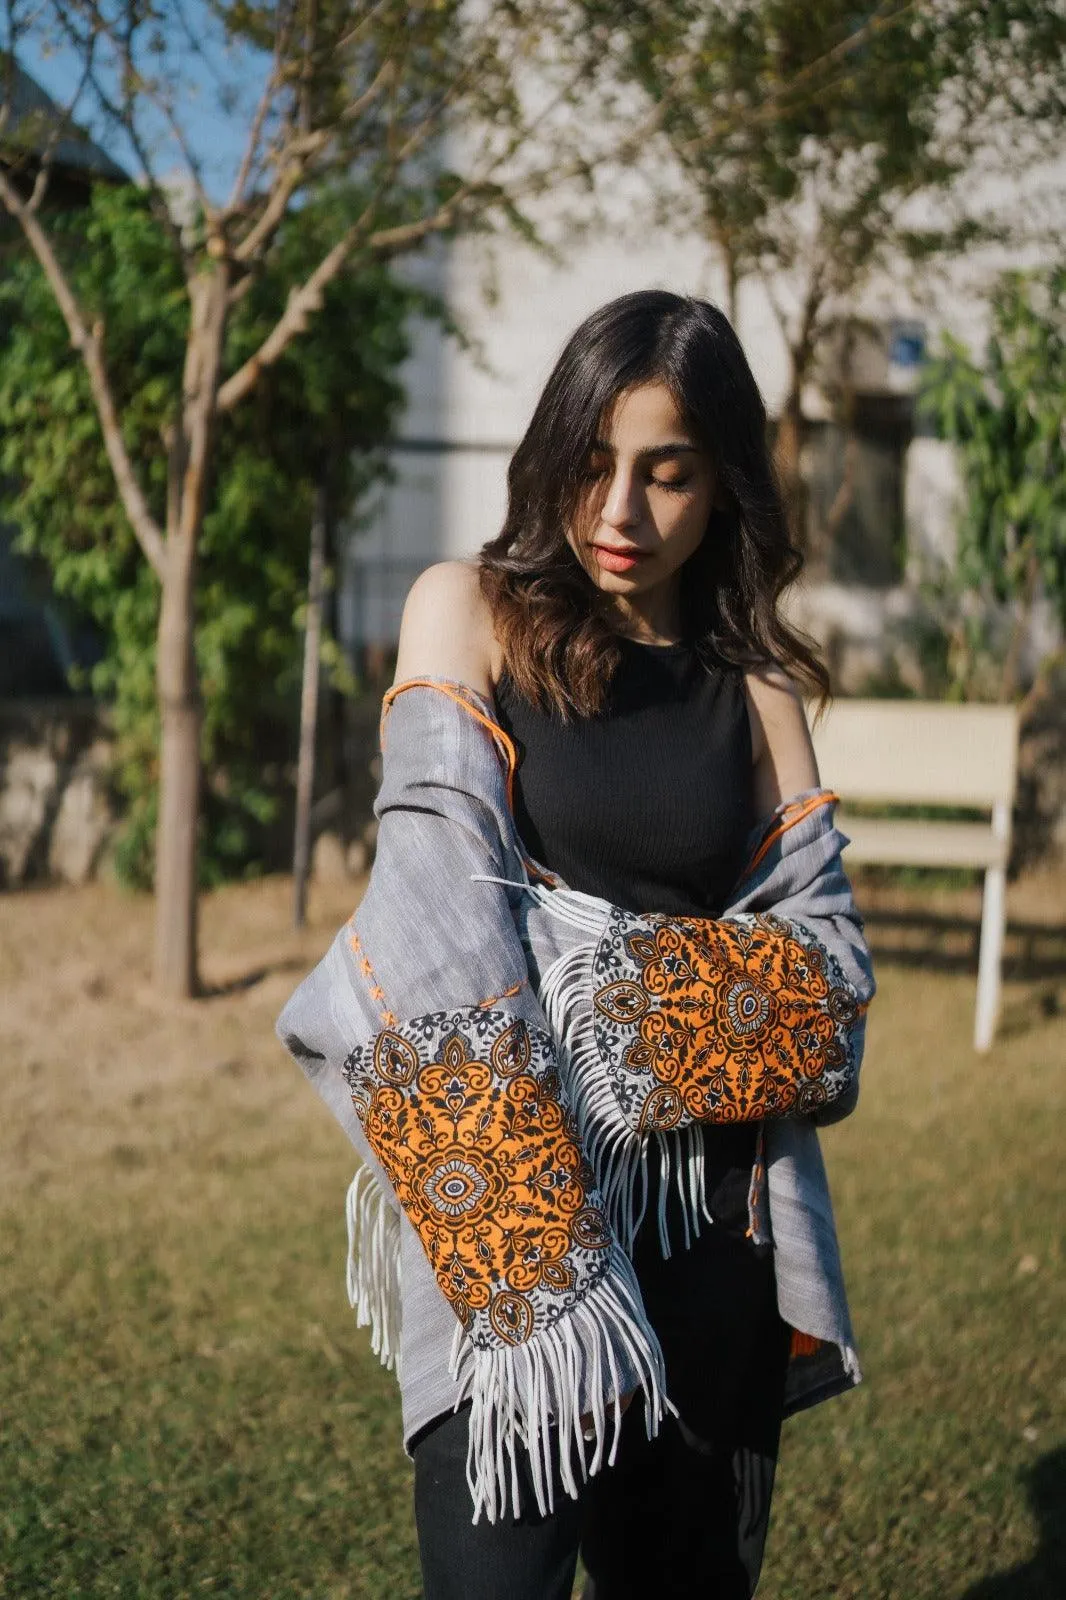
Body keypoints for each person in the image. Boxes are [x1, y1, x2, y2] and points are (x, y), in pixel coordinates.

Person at [278, 290, 873, 1600]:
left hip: (716, 1236)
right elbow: (428, 925)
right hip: (517, 1246)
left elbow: (832, 998)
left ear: (722, 485)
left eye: (666, 473)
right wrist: (700, 996)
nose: (618, 512)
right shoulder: (468, 612)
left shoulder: (757, 685)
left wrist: (577, 988)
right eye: (593, 463)